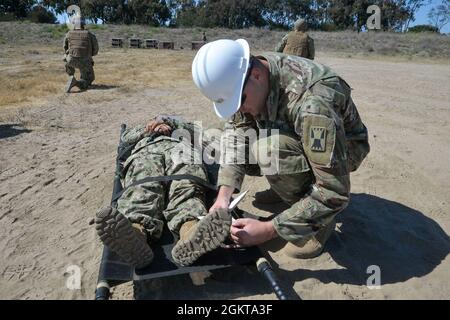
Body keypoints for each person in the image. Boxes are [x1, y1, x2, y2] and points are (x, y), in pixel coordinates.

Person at [191, 39, 369, 259]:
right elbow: (237, 131)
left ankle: (316, 224)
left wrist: (269, 230)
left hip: (341, 149)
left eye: (240, 101)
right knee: (218, 138)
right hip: (295, 132)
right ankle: (287, 187)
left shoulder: (313, 103)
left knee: (270, 150)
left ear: (256, 75)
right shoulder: (249, 74)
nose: (240, 109)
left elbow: (334, 191)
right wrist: (224, 195)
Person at [95, 116, 230, 268]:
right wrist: (148, 129)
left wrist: (170, 123)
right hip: (145, 153)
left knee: (187, 186)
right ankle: (136, 235)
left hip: (180, 151)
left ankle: (190, 232)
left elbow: (198, 133)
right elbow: (126, 139)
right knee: (142, 189)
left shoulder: (181, 127)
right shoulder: (141, 129)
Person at [63, 16, 99, 93]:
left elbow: (65, 48)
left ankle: (70, 76)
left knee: (67, 59)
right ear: (83, 24)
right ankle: (76, 82)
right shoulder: (89, 34)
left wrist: (68, 55)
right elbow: (96, 49)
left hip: (71, 61)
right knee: (89, 79)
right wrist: (89, 55)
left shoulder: (68, 34)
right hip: (85, 61)